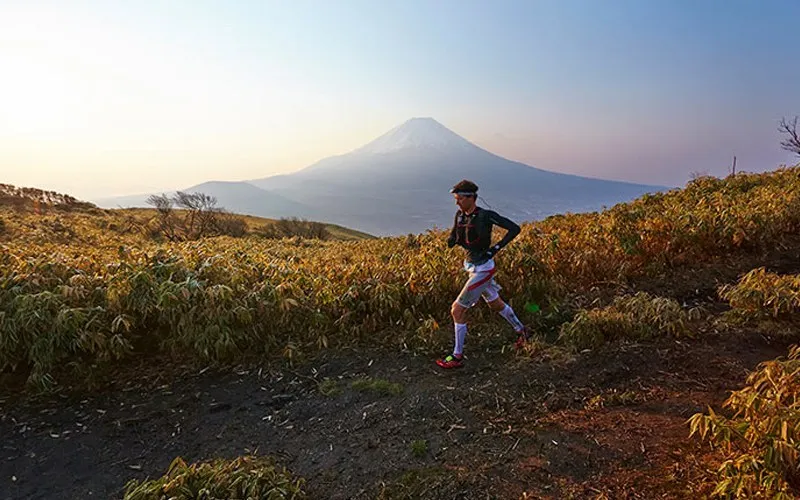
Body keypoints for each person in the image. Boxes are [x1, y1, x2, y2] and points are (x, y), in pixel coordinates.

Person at [436, 179, 530, 369]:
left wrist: (495, 249)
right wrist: (452, 240)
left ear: (472, 198)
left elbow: (514, 228)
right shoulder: (460, 215)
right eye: (456, 199)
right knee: (495, 304)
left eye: (460, 198)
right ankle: (522, 331)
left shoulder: (486, 216)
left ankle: (457, 356)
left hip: (484, 268)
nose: (457, 202)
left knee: (457, 310)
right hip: (471, 266)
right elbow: (455, 234)